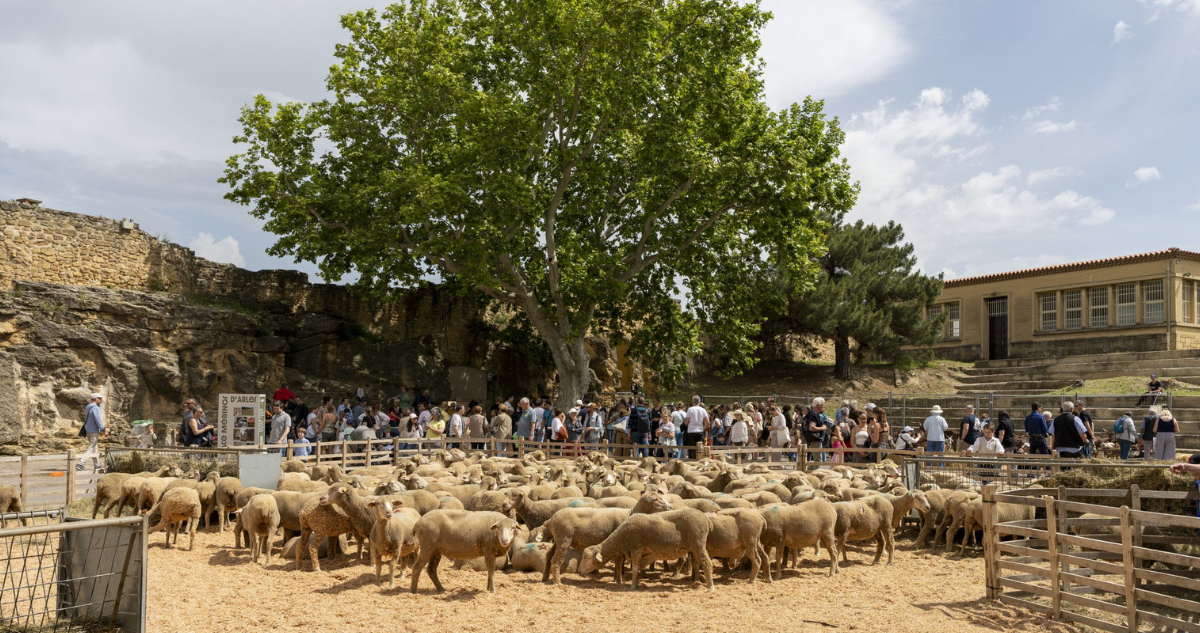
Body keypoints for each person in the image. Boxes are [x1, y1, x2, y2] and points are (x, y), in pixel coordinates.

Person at [77, 393, 108, 471]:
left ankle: (97, 465)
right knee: (91, 448)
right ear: (96, 399)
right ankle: (80, 463)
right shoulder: (95, 408)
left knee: (94, 448)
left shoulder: (88, 406)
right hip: (94, 430)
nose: (101, 400)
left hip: (88, 430)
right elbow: (98, 419)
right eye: (100, 398)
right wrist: (103, 429)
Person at [804, 398, 830, 462]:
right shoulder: (814, 415)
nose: (823, 406)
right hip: (815, 440)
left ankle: (810, 472)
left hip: (812, 439)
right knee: (818, 460)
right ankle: (814, 472)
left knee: (816, 460)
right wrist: (823, 428)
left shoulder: (810, 413)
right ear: (817, 405)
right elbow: (811, 427)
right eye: (822, 404)